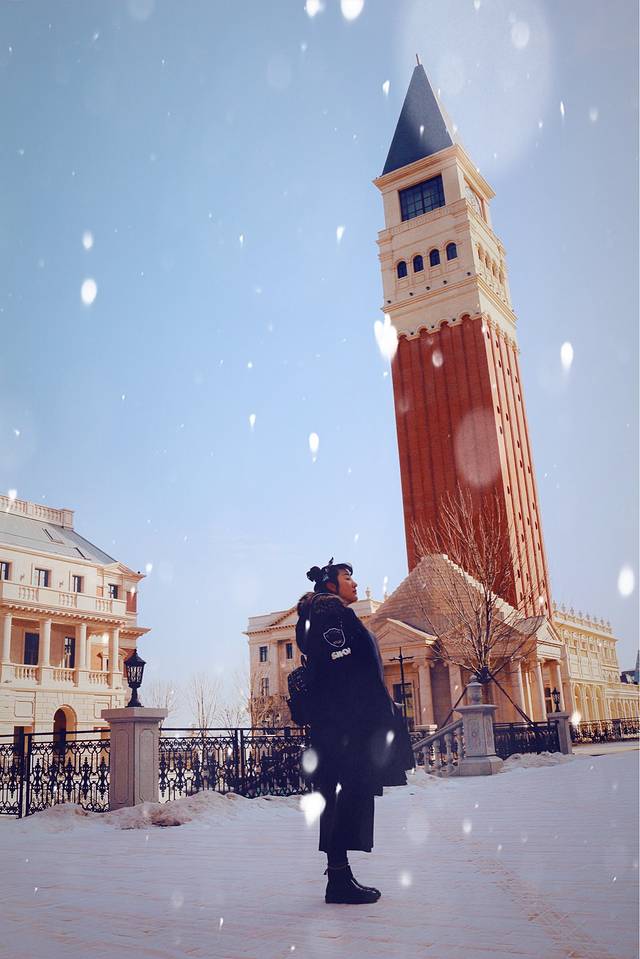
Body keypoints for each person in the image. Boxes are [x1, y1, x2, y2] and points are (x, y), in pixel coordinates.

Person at [295, 559, 414, 905]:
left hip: (337, 728)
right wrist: (370, 714)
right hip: (346, 730)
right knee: (345, 798)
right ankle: (339, 881)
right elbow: (347, 672)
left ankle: (339, 877)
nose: (355, 583)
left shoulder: (322, 616)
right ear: (331, 585)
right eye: (347, 577)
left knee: (340, 799)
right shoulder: (332, 617)